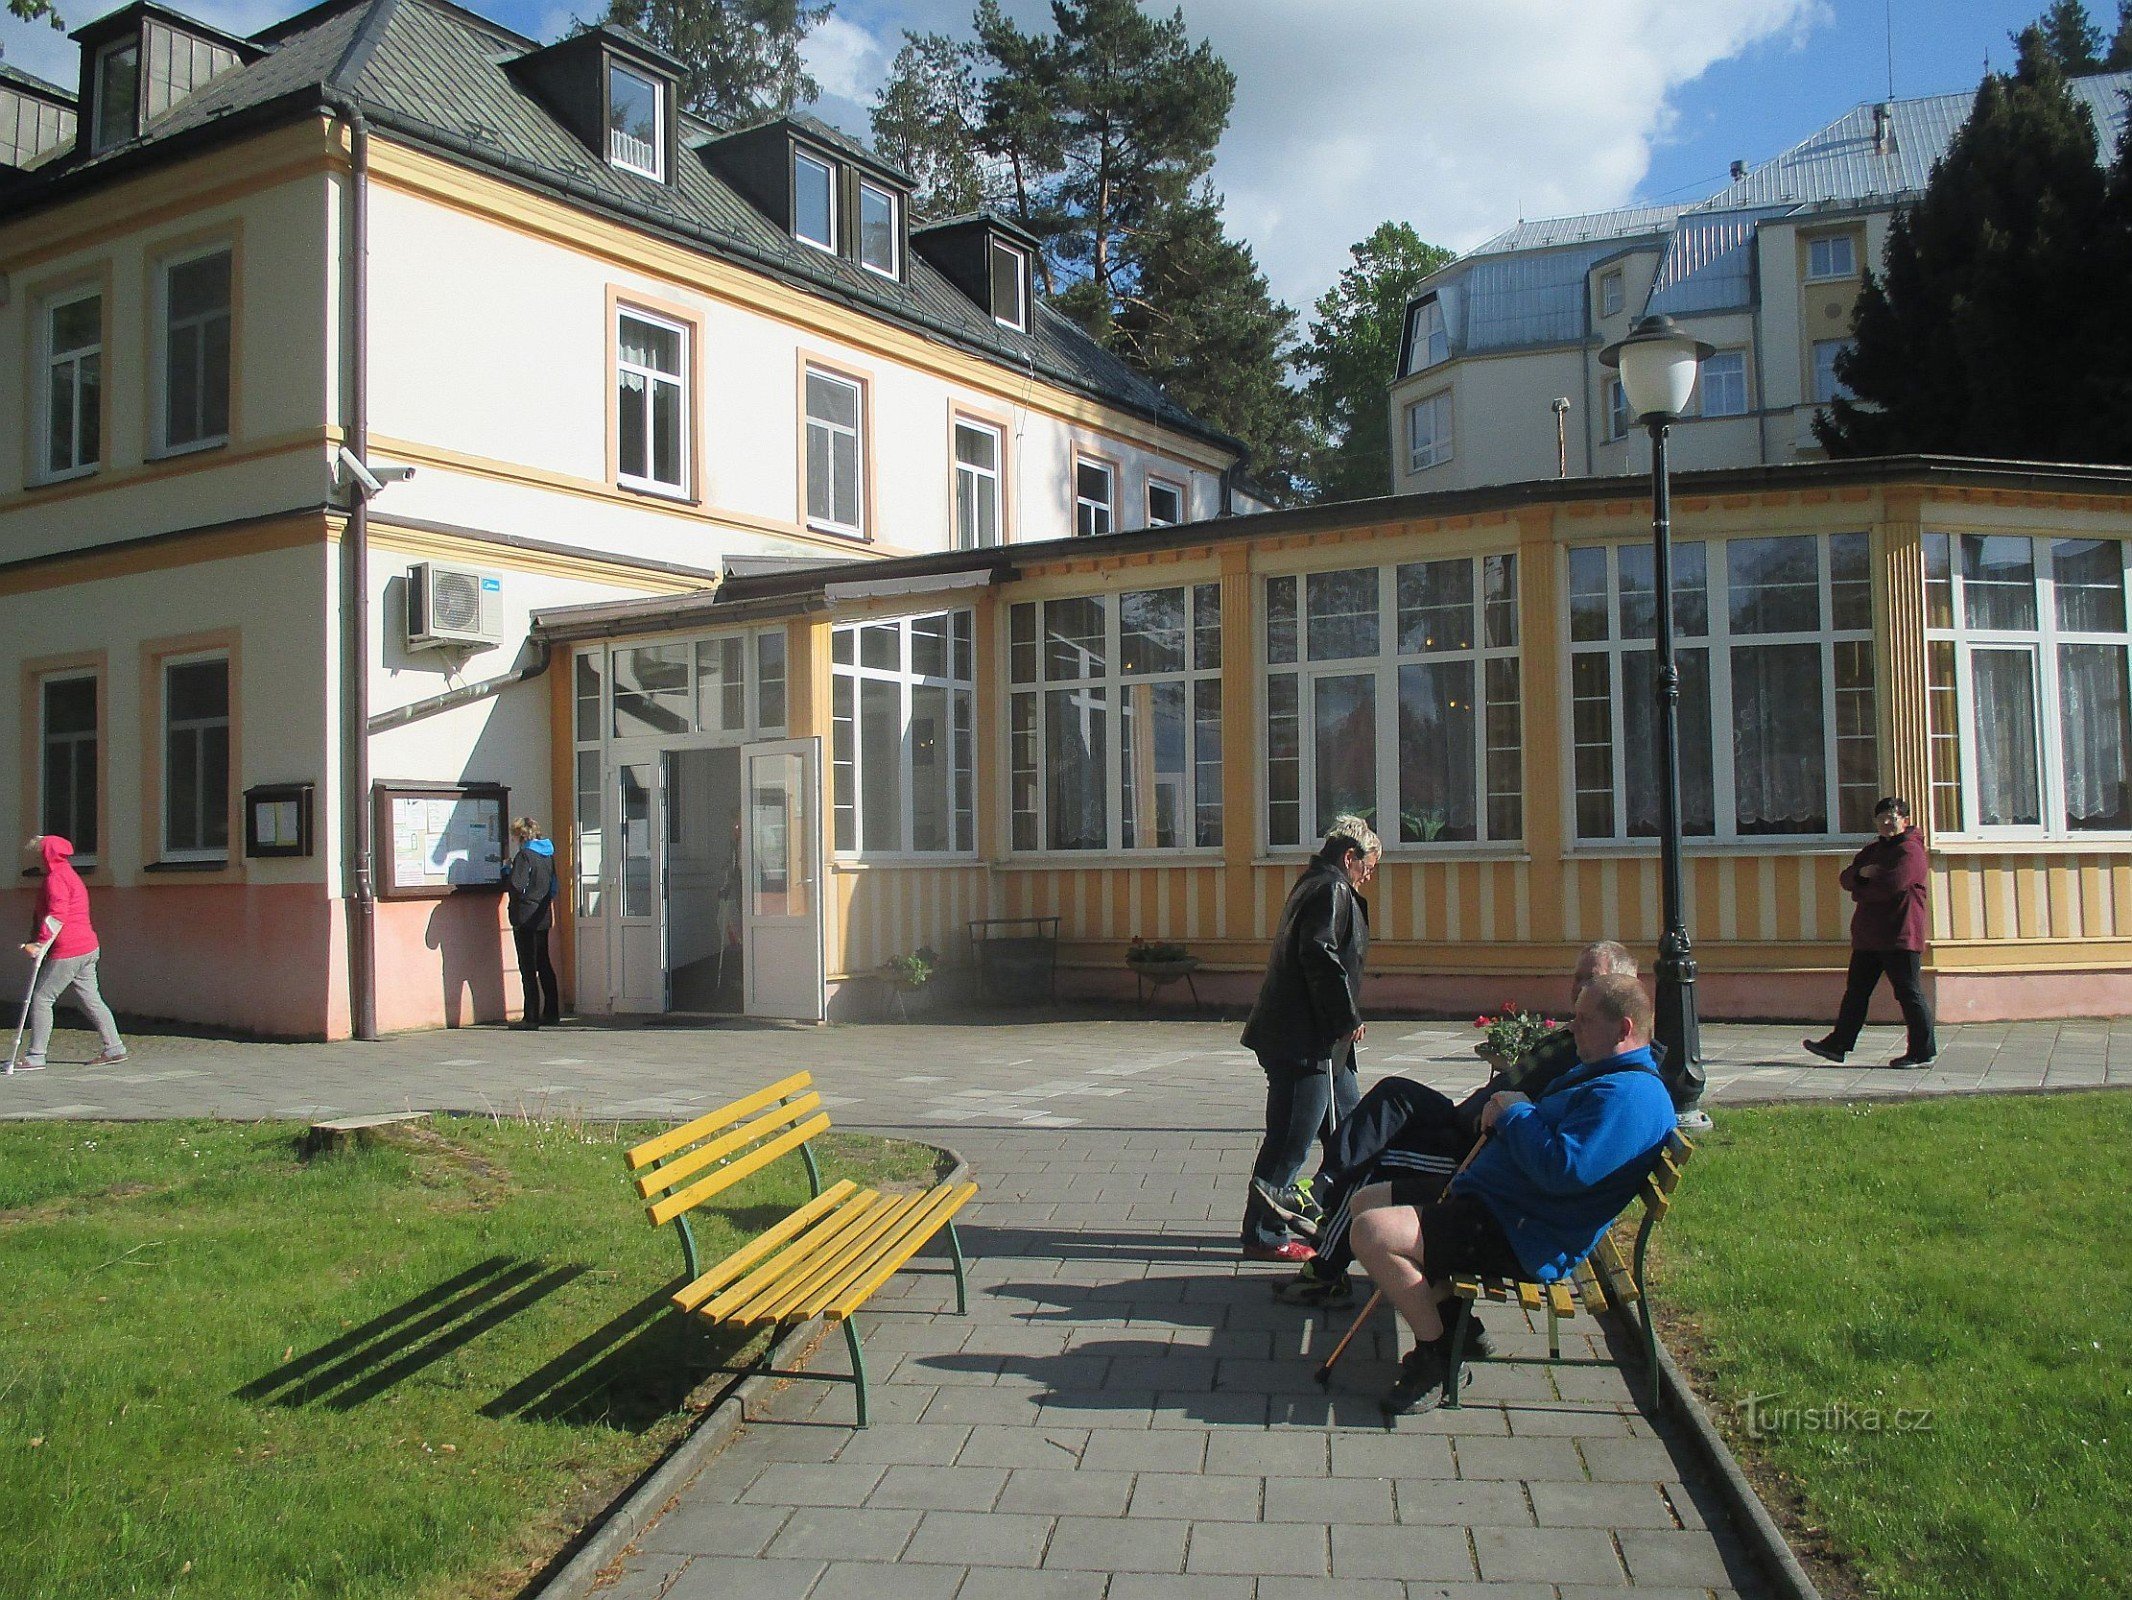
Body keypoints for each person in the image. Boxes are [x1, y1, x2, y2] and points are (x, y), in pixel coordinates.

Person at [1348, 972, 1677, 1415]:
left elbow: (1564, 1170)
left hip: (1524, 1233)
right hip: (1503, 1206)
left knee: (1373, 1232)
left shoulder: (1631, 1096)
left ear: (1624, 1030)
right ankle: (1458, 1328)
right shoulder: (1610, 1076)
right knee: (1365, 1200)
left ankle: (1439, 1354)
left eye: (1583, 1020)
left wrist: (1515, 1113)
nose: (1571, 1028)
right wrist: (1513, 1108)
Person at [1270, 941, 1641, 1308]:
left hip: (1483, 1148)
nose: (1578, 988)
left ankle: (1326, 1263)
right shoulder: (1577, 1037)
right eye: (1576, 978)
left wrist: (1507, 1112)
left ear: (1623, 992)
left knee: (1384, 1161)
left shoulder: (1602, 1061)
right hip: (1474, 1121)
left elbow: (1560, 1133)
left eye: (1589, 979)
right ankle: (1322, 1193)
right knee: (1395, 1094)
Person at [1237, 815, 1379, 1263]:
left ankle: (1333, 1217)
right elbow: (1319, 955)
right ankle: (1265, 1232)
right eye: (1368, 866)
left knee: (1351, 1130)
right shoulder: (1331, 888)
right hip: (1304, 1041)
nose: (1369, 875)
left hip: (1319, 1042)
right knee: (1290, 1140)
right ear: (1349, 856)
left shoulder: (1317, 883)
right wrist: (1345, 1017)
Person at [1804, 796, 1935, 1069]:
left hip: (1900, 935)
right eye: (1882, 818)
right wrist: (1862, 874)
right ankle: (1839, 1044)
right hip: (1869, 937)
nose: (1887, 823)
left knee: (1908, 993)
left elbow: (1892, 885)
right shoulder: (1873, 849)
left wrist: (1860, 889)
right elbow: (1846, 877)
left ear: (1905, 821)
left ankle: (1922, 1052)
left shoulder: (1911, 851)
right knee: (1856, 992)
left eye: (1893, 818)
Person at [16, 835, 126, 1070]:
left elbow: (57, 914)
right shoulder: (69, 875)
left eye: (39, 853)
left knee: (42, 998)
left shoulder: (56, 878)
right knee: (91, 998)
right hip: (88, 946)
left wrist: (40, 944)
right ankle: (114, 1047)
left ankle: (36, 1055)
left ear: (47, 854)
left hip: (69, 949)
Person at [505, 817, 561, 1030]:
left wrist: (505, 872)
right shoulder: (548, 855)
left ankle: (531, 1017)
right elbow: (554, 887)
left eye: (515, 835)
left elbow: (517, 885)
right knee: (544, 963)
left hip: (525, 917)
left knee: (528, 967)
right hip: (543, 914)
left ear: (521, 835)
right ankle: (551, 1012)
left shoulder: (525, 855)